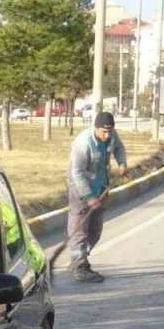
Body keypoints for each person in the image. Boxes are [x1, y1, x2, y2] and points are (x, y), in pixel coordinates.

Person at [66, 111, 127, 283]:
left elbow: (119, 148)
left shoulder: (112, 135)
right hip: (80, 190)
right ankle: (79, 267)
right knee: (79, 231)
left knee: (95, 231)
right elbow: (77, 173)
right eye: (103, 132)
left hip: (101, 188)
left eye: (110, 131)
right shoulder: (83, 143)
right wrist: (88, 197)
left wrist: (122, 163)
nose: (107, 135)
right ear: (96, 128)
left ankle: (80, 260)